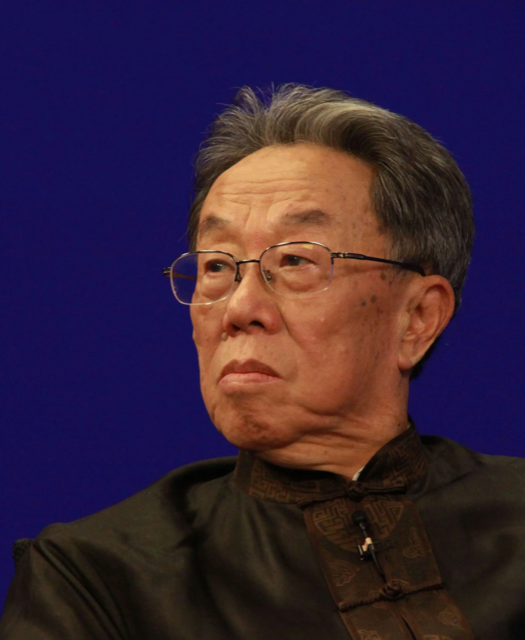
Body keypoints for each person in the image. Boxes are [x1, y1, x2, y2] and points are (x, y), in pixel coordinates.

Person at [2, 84, 525, 640]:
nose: (239, 309)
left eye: (295, 260)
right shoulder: (97, 577)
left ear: (418, 317)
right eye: (217, 266)